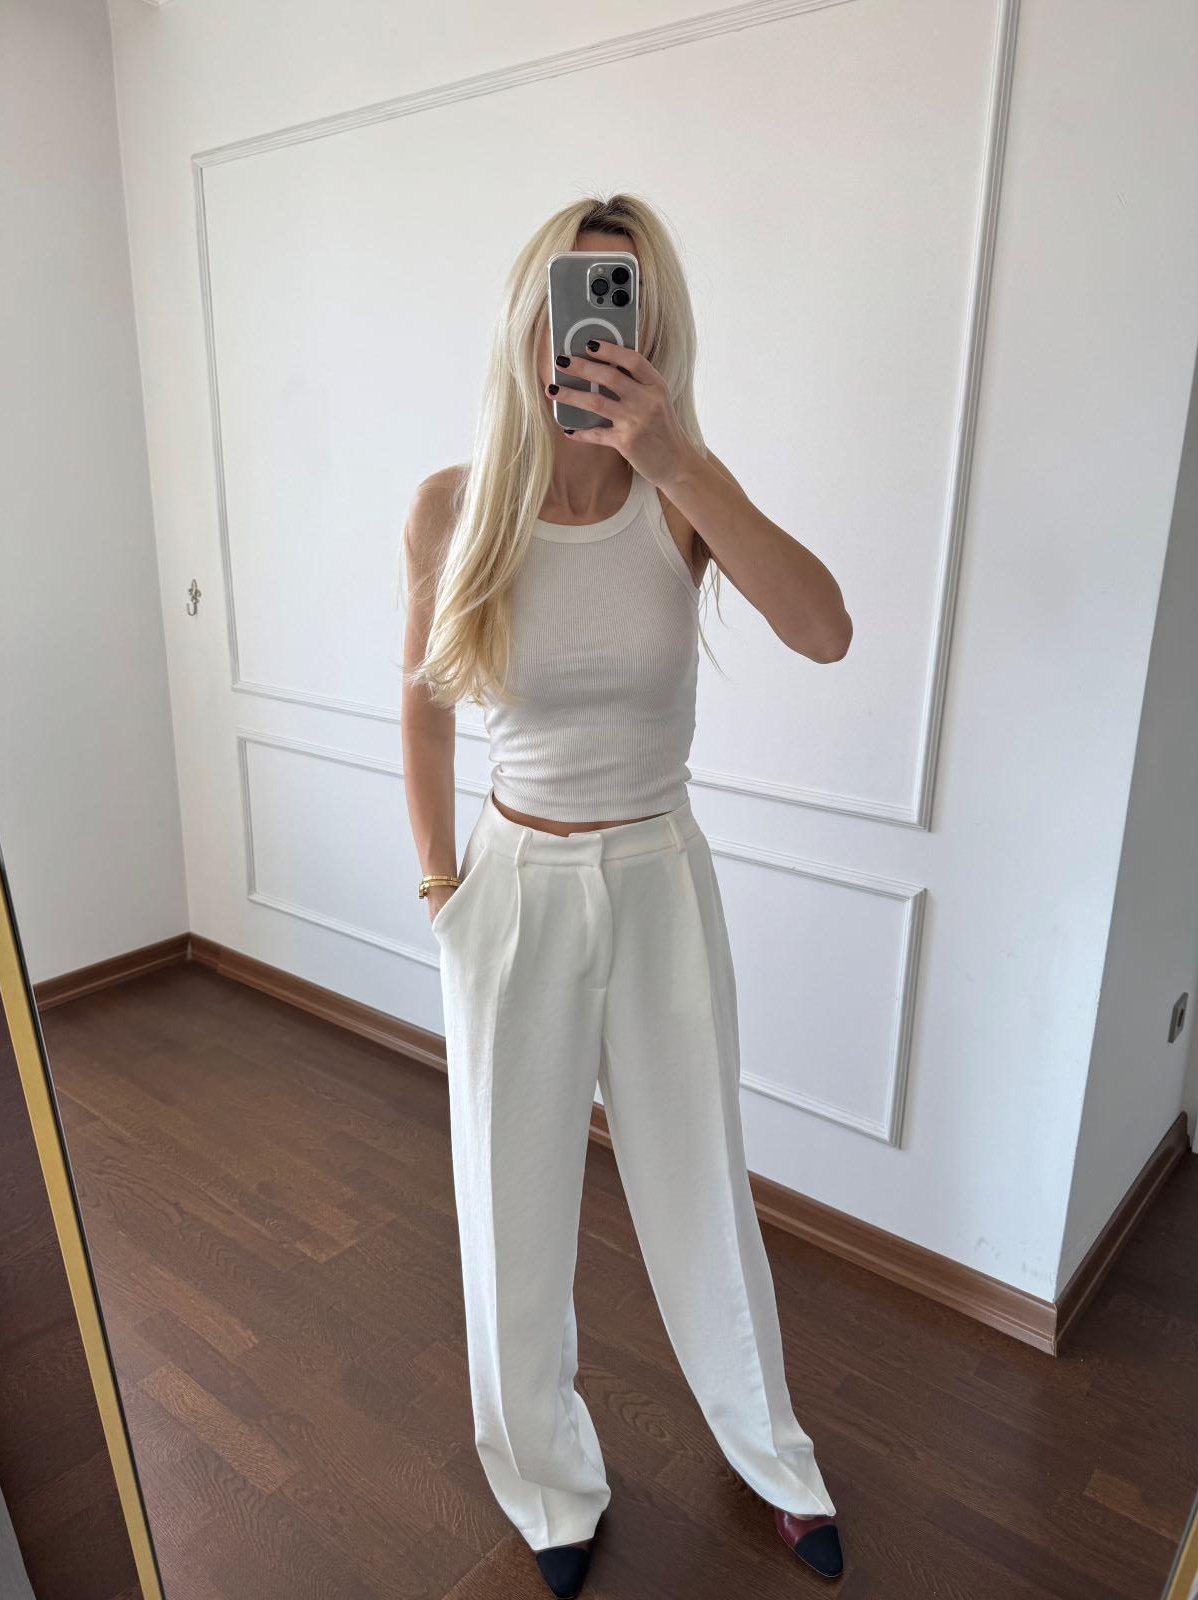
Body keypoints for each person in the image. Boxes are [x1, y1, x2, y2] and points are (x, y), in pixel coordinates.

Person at [401, 193, 852, 1597]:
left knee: (702, 1185)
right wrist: (440, 885)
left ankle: (773, 1455)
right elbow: (422, 708)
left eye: (627, 300)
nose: (599, 325)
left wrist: (681, 459)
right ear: (529, 313)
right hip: (513, 888)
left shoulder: (680, 500)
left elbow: (826, 631)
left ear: (657, 328)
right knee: (510, 1209)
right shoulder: (454, 509)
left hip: (659, 876)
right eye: (579, 291)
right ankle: (547, 1483)